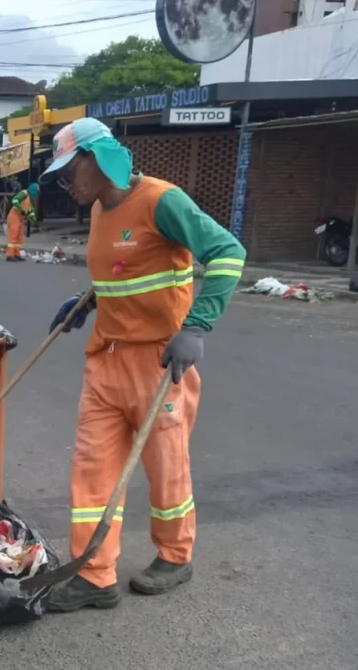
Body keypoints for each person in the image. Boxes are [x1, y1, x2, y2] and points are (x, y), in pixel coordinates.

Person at [40, 117, 245, 612]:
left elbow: (227, 252)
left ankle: (175, 556)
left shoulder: (161, 200)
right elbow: (120, 272)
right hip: (105, 362)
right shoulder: (97, 213)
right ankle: (93, 574)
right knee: (92, 471)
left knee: (165, 468)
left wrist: (196, 327)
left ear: (99, 158)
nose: (65, 183)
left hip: (159, 364)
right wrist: (85, 303)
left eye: (70, 170)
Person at [6, 183, 38, 262]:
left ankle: (17, 254)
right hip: (14, 217)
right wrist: (21, 210)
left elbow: (30, 212)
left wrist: (34, 221)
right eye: (36, 191)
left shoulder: (29, 200)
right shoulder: (24, 193)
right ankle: (10, 255)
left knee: (19, 237)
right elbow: (15, 200)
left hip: (20, 219)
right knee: (13, 236)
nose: (37, 194)